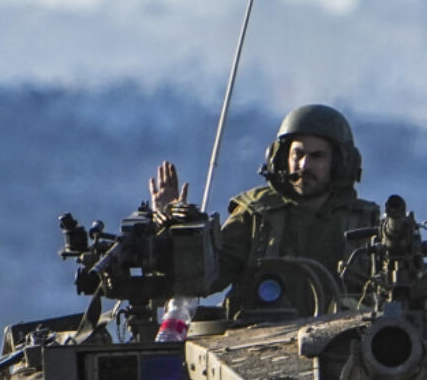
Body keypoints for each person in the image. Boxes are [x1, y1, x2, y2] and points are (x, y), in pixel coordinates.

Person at [150, 104, 379, 315]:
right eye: (297, 154)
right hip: (255, 344)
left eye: (317, 156)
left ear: (339, 163)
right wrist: (177, 230)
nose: (304, 165)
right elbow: (205, 277)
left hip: (342, 349)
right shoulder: (257, 215)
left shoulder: (365, 224)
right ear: (281, 158)